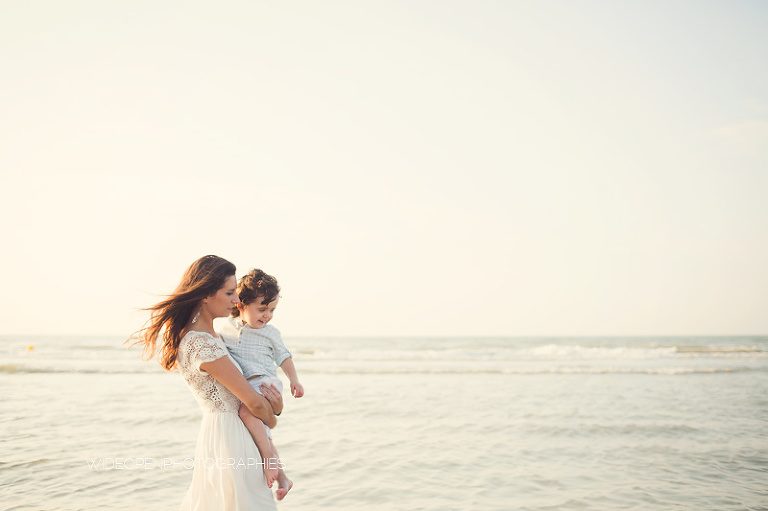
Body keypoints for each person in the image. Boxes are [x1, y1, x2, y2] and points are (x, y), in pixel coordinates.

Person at [131, 255, 281, 510]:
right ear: (205, 295)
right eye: (229, 293)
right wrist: (273, 418)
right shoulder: (201, 343)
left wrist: (273, 407)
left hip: (228, 434)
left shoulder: (213, 337)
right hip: (231, 439)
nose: (237, 299)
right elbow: (254, 404)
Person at [216, 269, 303, 498]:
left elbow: (284, 357)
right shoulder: (225, 330)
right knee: (263, 433)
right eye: (262, 309)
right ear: (241, 305)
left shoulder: (270, 333)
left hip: (265, 382)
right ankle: (283, 479)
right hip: (248, 386)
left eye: (272, 310)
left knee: (247, 413)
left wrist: (294, 380)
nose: (267, 316)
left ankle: (267, 459)